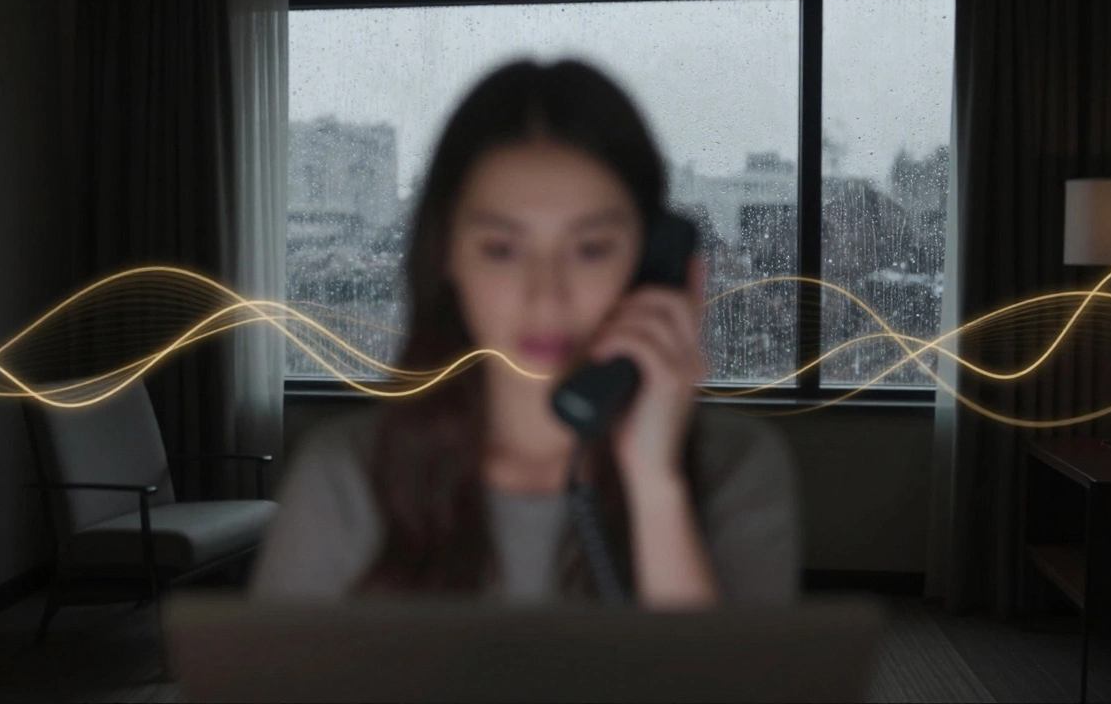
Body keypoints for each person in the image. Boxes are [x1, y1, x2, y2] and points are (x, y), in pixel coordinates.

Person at [250, 58, 800, 608]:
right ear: (446, 256)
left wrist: (656, 486)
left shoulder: (736, 468)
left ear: (654, 263)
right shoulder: (345, 476)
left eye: (590, 250)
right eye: (502, 250)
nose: (546, 297)